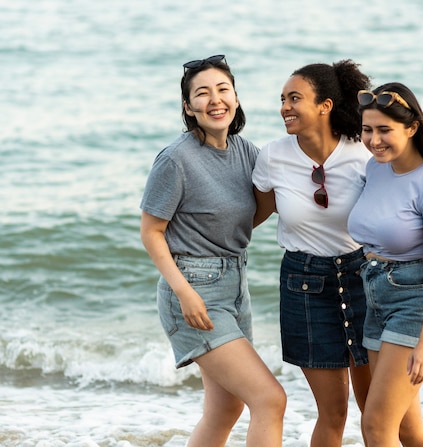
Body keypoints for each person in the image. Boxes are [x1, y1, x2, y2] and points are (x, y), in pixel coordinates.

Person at [140, 55, 286, 447]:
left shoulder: (246, 152)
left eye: (223, 89)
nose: (215, 100)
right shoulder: (176, 160)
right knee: (269, 399)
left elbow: (251, 213)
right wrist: (185, 292)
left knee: (226, 409)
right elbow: (152, 231)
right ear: (189, 108)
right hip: (192, 289)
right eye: (202, 93)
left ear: (236, 98)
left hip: (235, 287)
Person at [252, 60, 372, 447]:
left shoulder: (363, 153)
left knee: (376, 411)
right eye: (282, 99)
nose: (285, 107)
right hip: (304, 285)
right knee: (334, 411)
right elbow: (253, 216)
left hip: (362, 280)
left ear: (325, 106)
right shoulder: (273, 156)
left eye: (294, 98)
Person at [347, 82, 423, 447]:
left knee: (377, 427)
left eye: (385, 130)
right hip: (375, 294)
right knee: (407, 430)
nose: (374, 139)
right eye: (368, 130)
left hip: (416, 302)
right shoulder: (376, 167)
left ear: (412, 128)